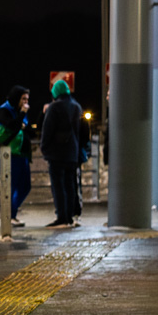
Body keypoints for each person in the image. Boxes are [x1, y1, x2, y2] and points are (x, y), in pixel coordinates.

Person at [39, 79, 87, 228]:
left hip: (56, 153)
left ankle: (62, 217)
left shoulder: (54, 107)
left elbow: (47, 131)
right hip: (72, 153)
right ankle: (70, 216)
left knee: (58, 186)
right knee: (70, 185)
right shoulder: (76, 107)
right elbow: (83, 131)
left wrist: (44, 148)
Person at [0, 85, 31, 227]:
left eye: (27, 99)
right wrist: (21, 114)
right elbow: (13, 126)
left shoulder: (20, 111)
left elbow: (27, 128)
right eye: (23, 99)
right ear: (17, 98)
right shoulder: (4, 110)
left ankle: (12, 212)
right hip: (8, 154)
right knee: (12, 186)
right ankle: (10, 215)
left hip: (21, 153)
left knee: (25, 186)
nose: (26, 102)